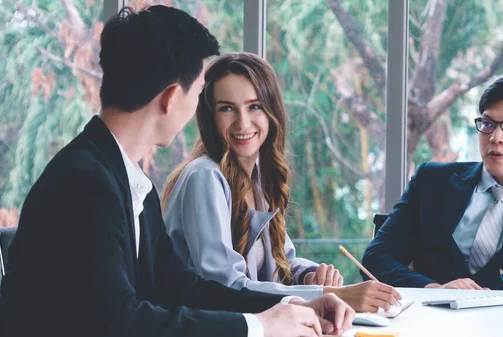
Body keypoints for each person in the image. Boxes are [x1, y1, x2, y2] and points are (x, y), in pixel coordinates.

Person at [0, 6, 355, 337]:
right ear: (169, 97)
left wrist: (292, 306)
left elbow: (183, 288)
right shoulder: (84, 183)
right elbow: (120, 321)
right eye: (199, 93)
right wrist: (260, 327)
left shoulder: (133, 185)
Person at [162, 52, 401, 313]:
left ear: (271, 110)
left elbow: (283, 263)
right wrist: (330, 295)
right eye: (227, 108)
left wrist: (309, 275)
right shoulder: (205, 177)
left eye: (254, 106)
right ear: (210, 117)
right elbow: (226, 286)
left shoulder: (258, 176)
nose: (243, 122)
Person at [362, 75, 503, 291]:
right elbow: (376, 257)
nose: (495, 137)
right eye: (488, 124)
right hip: (430, 320)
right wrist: (434, 289)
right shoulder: (432, 182)